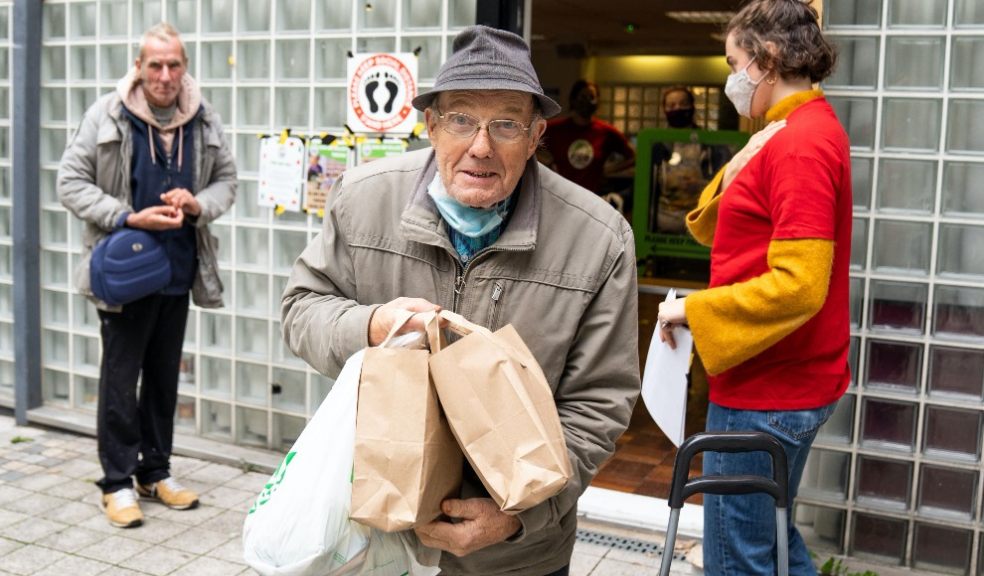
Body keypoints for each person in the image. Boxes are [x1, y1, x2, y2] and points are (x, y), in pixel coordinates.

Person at [282, 25, 640, 576]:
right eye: (461, 119)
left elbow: (599, 403)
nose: (481, 145)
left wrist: (520, 515)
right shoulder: (361, 200)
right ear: (431, 126)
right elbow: (302, 308)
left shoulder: (598, 239)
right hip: (376, 532)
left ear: (537, 134)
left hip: (517, 554)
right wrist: (372, 323)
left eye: (505, 124)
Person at [657, 1, 849, 574]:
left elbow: (799, 285)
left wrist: (695, 308)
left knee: (737, 558)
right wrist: (747, 155)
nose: (731, 79)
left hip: (767, 389)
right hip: (780, 379)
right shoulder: (788, 131)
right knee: (774, 541)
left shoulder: (799, 143)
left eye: (734, 61)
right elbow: (720, 223)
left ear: (765, 61)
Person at [58, 22, 237, 529]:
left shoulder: (203, 119)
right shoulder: (107, 113)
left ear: (184, 68)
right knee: (120, 381)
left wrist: (197, 203)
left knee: (162, 380)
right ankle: (115, 482)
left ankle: (154, 472)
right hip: (123, 273)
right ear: (138, 67)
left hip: (178, 271)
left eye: (174, 64)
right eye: (154, 64)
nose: (164, 75)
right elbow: (69, 182)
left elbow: (228, 180)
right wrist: (125, 215)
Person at [652, 86, 733, 234]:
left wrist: (701, 185)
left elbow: (726, 181)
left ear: (692, 106)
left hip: (701, 225)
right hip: (663, 229)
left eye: (683, 104)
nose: (678, 108)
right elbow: (646, 187)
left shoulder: (712, 145)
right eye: (671, 105)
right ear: (664, 110)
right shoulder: (655, 144)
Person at [539, 80, 635, 196]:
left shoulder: (606, 132)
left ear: (598, 101)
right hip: (560, 196)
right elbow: (527, 143)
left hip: (593, 198)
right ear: (573, 100)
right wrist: (547, 163)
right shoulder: (556, 128)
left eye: (592, 97)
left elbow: (633, 157)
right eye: (583, 97)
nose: (587, 101)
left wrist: (607, 171)